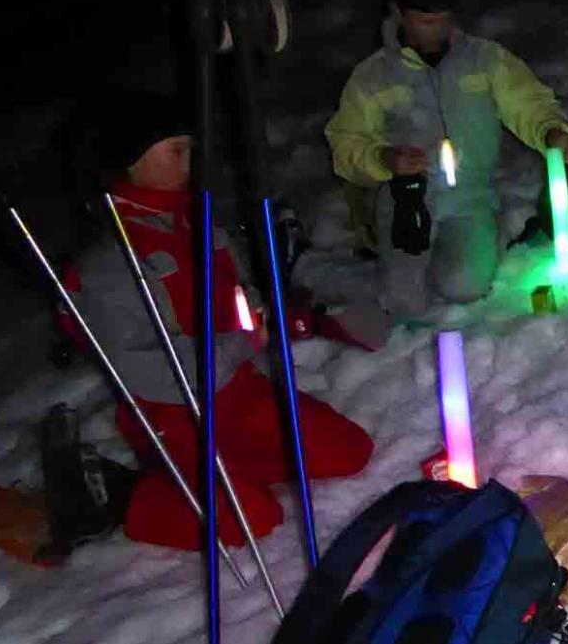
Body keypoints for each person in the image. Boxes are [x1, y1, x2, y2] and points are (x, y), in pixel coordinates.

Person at [62, 92, 374, 551]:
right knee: (251, 520)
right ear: (131, 161)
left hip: (236, 392)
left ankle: (223, 477)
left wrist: (267, 317)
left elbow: (238, 297)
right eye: (175, 150)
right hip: (174, 415)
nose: (189, 162)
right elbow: (150, 371)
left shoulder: (197, 224)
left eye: (189, 148)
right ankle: (120, 494)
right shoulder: (110, 262)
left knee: (348, 449)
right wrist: (237, 344)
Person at [326, 0, 568, 317]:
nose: (438, 29)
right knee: (405, 303)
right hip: (404, 201)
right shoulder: (373, 75)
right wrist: (385, 159)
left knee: (465, 285)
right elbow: (345, 142)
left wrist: (552, 132)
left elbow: (529, 103)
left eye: (445, 18)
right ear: (399, 14)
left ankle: (480, 239)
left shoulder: (485, 59)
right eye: (426, 21)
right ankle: (396, 255)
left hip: (470, 196)